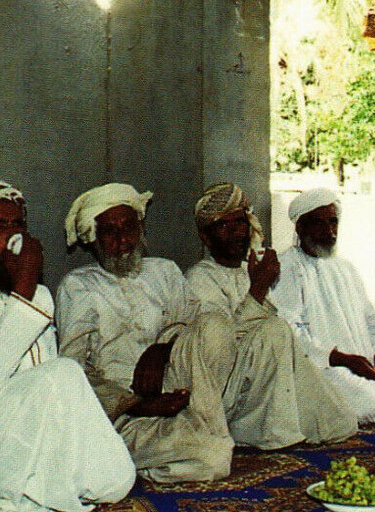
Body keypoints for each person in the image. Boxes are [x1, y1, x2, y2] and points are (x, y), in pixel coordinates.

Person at [0, 181, 136, 512]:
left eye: (19, 226)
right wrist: (25, 285)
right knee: (63, 371)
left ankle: (43, 481)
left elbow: (46, 394)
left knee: (116, 481)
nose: (15, 236)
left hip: (31, 435)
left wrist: (27, 289)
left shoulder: (37, 295)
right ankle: (15, 487)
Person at [55, 183, 239, 484]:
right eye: (110, 231)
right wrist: (135, 403)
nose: (123, 239)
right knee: (214, 457)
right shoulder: (79, 286)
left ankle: (168, 445)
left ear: (141, 229)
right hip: (123, 410)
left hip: (180, 392)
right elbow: (71, 371)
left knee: (216, 323)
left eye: (129, 227)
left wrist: (161, 349)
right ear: (93, 240)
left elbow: (196, 325)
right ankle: (131, 456)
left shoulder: (164, 271)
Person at [183, 181, 356, 447]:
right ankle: (261, 431)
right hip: (225, 392)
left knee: (340, 420)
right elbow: (221, 347)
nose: (238, 232)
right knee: (275, 330)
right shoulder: (199, 280)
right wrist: (259, 287)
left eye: (240, 222)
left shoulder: (247, 270)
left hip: (260, 379)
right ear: (206, 237)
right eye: (224, 226)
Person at [269, 188, 375, 424]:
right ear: (300, 227)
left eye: (333, 222)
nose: (329, 231)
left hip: (364, 364)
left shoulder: (346, 268)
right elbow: (290, 333)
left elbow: (370, 322)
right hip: (324, 368)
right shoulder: (286, 267)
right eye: (319, 223)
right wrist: (344, 360)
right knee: (366, 405)